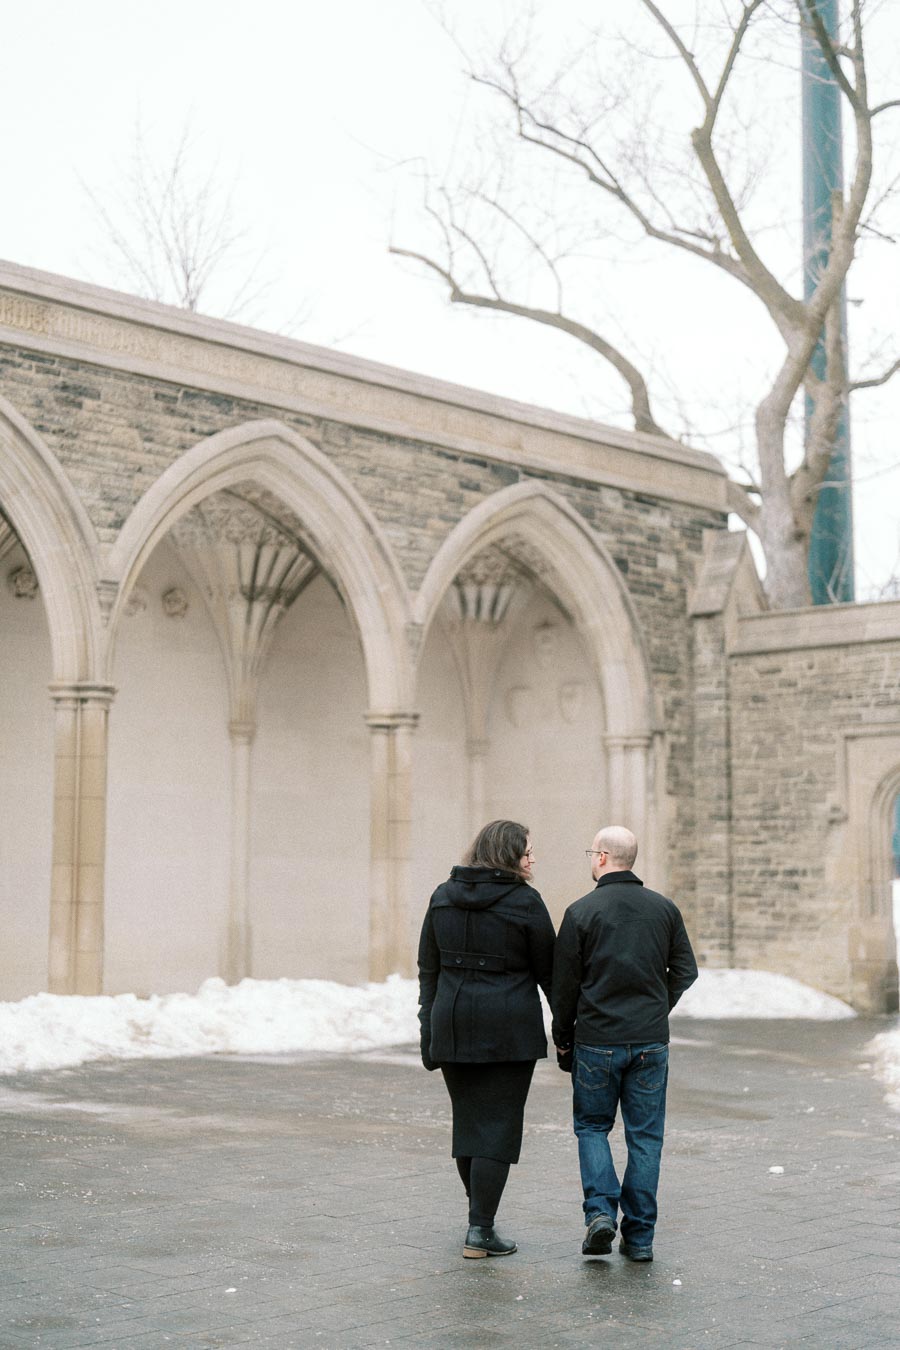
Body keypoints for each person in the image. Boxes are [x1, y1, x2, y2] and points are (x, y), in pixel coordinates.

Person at [551, 825, 697, 1263]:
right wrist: (656, 1008)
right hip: (651, 1043)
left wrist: (563, 1041)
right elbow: (685, 971)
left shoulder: (580, 912)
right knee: (646, 1138)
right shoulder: (664, 909)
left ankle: (599, 1213)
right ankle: (640, 1238)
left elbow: (564, 988)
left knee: (593, 1127)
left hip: (597, 1042)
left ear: (601, 858)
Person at [417, 819, 555, 1259]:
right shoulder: (526, 901)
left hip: (452, 1021)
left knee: (471, 1123)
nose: (531, 860)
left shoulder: (442, 896)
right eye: (527, 852)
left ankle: (480, 1218)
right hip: (508, 1027)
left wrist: (428, 1028)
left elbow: (429, 969)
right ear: (509, 854)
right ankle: (480, 1230)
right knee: (497, 1128)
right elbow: (551, 973)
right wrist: (569, 1029)